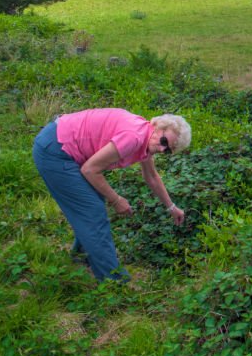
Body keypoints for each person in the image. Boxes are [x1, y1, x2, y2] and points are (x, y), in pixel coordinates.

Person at [32, 108, 191, 282]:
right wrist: (116, 200)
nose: (162, 149)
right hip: (55, 150)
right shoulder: (134, 137)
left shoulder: (145, 137)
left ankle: (83, 255)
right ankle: (113, 282)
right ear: (158, 126)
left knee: (94, 202)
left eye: (167, 150)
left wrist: (171, 207)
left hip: (60, 143)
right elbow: (90, 169)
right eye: (163, 141)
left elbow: (151, 176)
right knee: (93, 211)